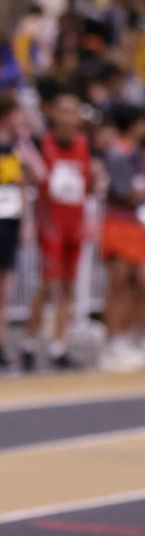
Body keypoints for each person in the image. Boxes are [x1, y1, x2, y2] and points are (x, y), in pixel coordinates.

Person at [21, 90, 95, 372]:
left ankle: (59, 346)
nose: (68, 117)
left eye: (72, 111)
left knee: (68, 286)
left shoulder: (83, 145)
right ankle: (29, 343)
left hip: (74, 224)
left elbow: (87, 186)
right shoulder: (43, 144)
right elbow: (31, 180)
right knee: (46, 285)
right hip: (51, 224)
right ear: (53, 114)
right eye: (63, 111)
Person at [0, 93, 40, 367]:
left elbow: (33, 178)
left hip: (9, 219)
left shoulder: (18, 147)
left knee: (4, 287)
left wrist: (26, 222)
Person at [98, 104, 145, 373]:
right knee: (119, 285)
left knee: (139, 283)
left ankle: (126, 335)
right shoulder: (119, 152)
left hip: (135, 224)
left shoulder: (135, 152)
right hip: (118, 223)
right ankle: (112, 341)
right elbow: (126, 191)